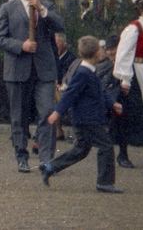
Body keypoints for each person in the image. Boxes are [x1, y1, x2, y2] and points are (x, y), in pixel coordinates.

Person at [0, 0, 65, 172]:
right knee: (19, 116)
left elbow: (60, 25)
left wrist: (41, 9)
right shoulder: (7, 8)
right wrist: (20, 46)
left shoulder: (47, 6)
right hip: (17, 69)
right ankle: (21, 156)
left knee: (47, 113)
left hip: (43, 70)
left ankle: (45, 159)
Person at [39, 36, 125, 193]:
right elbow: (70, 94)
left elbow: (101, 91)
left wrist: (112, 103)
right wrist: (57, 112)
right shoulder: (83, 73)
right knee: (106, 146)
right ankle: (104, 182)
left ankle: (51, 166)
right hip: (88, 119)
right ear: (98, 54)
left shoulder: (89, 71)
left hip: (85, 119)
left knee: (81, 149)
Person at [111, 0, 143, 168]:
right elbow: (124, 55)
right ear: (142, 9)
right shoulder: (134, 28)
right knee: (129, 114)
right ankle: (123, 154)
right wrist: (124, 79)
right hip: (136, 75)